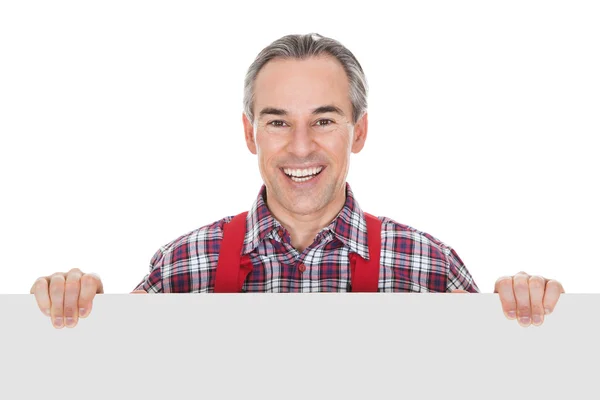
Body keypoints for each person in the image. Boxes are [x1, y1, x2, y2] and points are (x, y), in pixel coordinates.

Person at [30, 33, 564, 329]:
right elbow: (113, 378)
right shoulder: (182, 266)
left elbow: (501, 381)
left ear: (358, 133)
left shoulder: (427, 266)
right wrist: (73, 316)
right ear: (250, 133)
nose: (301, 146)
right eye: (279, 121)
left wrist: (532, 320)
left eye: (324, 120)